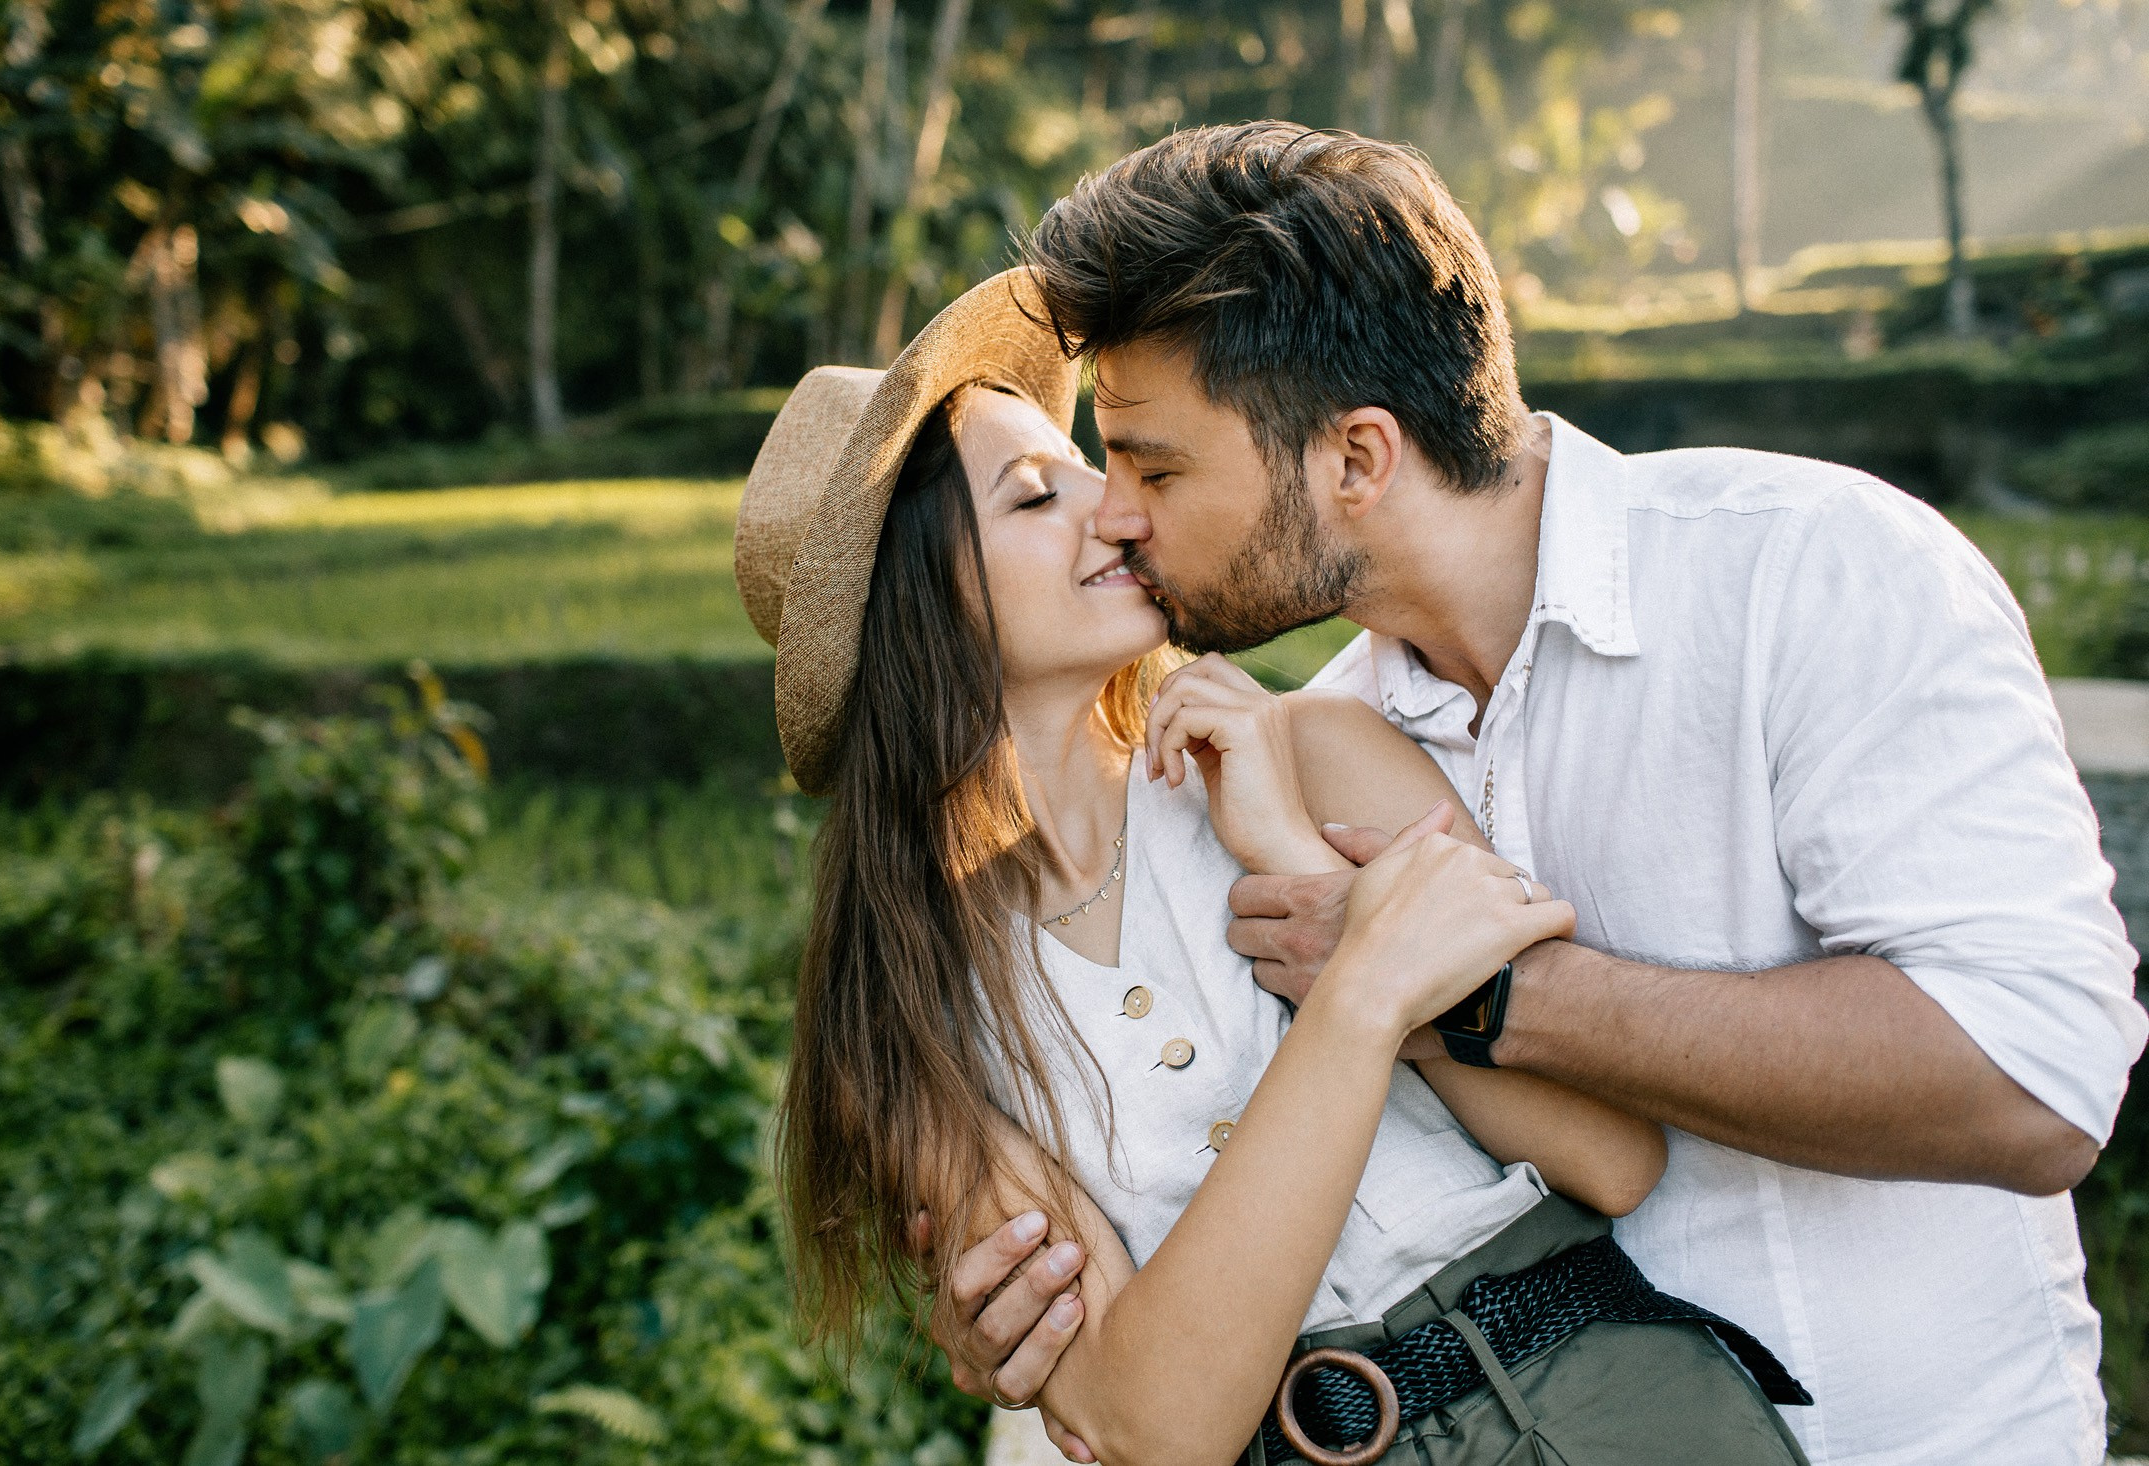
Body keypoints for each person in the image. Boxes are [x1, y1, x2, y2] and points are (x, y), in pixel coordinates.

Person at [934, 123, 2145, 1465]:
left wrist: (1459, 989)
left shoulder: (1812, 574)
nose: (1121, 515)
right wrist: (1039, 1324)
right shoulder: (1309, 746)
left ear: (1356, 459)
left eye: (1157, 470)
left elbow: (2034, 1077)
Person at [735, 270, 1815, 1465]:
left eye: (1101, 468)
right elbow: (1156, 1424)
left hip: (1606, 1407)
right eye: (1039, 494)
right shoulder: (915, 1021)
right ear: (917, 604)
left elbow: (1611, 1157)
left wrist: (1299, 867)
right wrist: (1361, 991)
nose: (1118, 510)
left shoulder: (1315, 757)